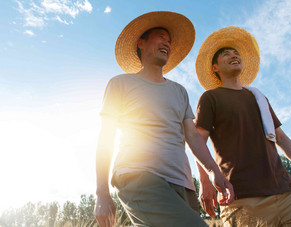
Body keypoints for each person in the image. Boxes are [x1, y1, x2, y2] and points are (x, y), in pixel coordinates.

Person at [93, 11, 234, 227]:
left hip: (183, 184)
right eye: (160, 36)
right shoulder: (120, 84)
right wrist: (101, 193)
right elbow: (106, 138)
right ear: (141, 42)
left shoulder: (179, 91)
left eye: (169, 40)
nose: (166, 43)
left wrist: (215, 172)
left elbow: (192, 137)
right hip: (138, 177)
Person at [194, 26, 291, 226]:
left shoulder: (258, 97)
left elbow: (281, 138)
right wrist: (205, 182)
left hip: (287, 192)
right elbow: (197, 140)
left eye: (236, 53)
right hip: (240, 198)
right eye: (226, 54)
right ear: (215, 67)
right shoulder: (210, 98)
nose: (234, 56)